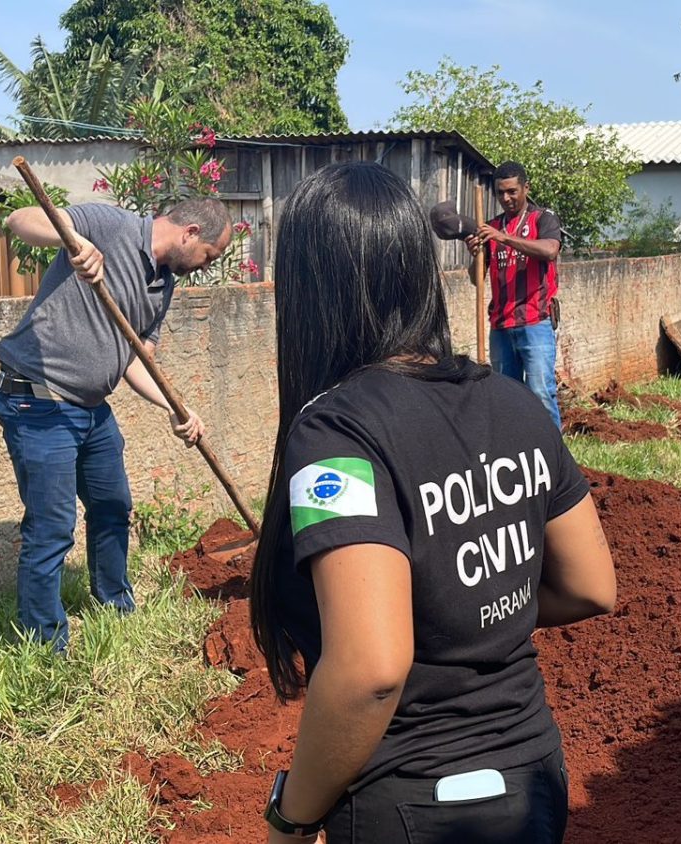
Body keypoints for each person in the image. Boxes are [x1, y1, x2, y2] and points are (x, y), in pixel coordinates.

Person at [249, 161, 617, 844]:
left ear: (308, 289)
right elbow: (592, 587)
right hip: (533, 776)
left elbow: (369, 671)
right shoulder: (515, 405)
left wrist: (290, 818)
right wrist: (467, 608)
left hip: (413, 805)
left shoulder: (334, 432)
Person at [0, 197, 231, 651]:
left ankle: (114, 604)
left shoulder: (162, 287)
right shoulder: (110, 224)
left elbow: (136, 360)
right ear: (191, 232)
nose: (205, 267)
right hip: (38, 401)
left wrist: (176, 408)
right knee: (52, 527)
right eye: (209, 257)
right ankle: (43, 645)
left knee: (113, 505)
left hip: (90, 408)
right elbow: (19, 220)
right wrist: (75, 242)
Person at [466, 160, 566, 428]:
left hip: (535, 321)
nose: (506, 198)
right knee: (506, 398)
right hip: (500, 326)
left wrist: (504, 238)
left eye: (512, 191)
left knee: (541, 393)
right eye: (500, 193)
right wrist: (475, 253)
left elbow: (549, 250)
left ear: (525, 188)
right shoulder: (490, 227)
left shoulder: (543, 218)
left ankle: (554, 457)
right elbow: (476, 279)